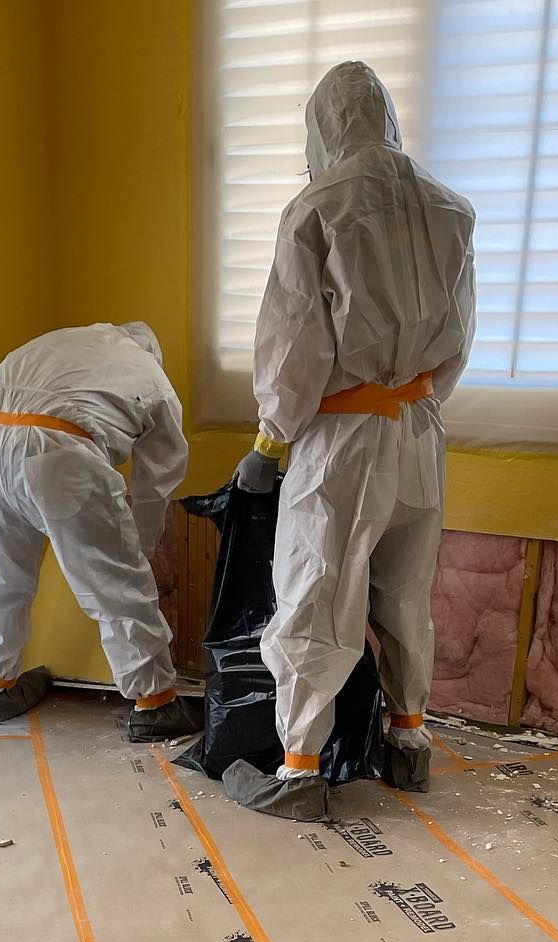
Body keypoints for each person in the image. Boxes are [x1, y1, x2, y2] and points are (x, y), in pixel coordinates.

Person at [224, 61, 476, 821]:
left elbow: (295, 345)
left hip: (344, 437)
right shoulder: (451, 210)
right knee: (404, 594)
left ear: (322, 132)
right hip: (421, 430)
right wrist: (414, 405)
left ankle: (298, 771)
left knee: (317, 593)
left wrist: (270, 445)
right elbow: (457, 342)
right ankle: (408, 743)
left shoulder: (318, 207)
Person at [0, 322, 200, 742]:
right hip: (57, 451)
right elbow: (157, 481)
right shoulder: (151, 376)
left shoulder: (64, 342)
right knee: (118, 588)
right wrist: (137, 549)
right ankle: (156, 702)